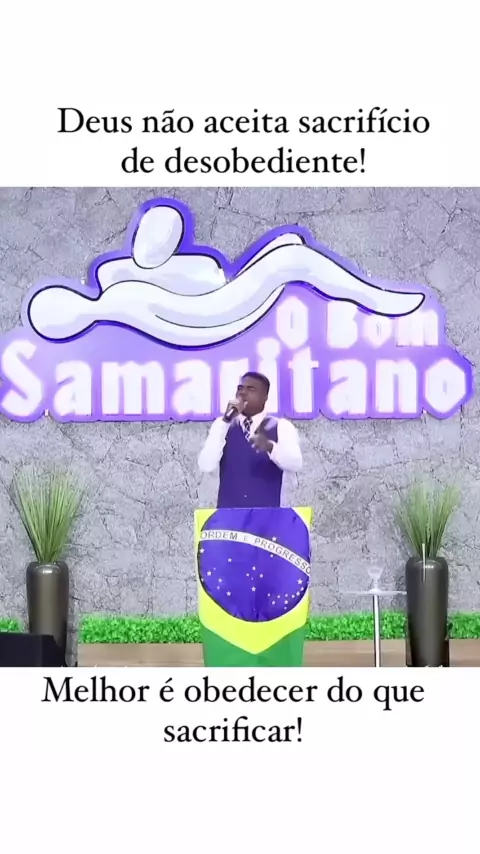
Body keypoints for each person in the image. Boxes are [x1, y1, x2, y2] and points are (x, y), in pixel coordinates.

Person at [197, 372, 302, 508]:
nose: (242, 393)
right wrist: (225, 421)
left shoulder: (281, 426)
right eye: (240, 388)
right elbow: (206, 465)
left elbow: (295, 464)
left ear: (265, 396)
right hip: (229, 515)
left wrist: (270, 447)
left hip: (269, 515)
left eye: (251, 389)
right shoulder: (222, 424)